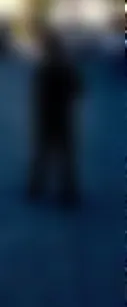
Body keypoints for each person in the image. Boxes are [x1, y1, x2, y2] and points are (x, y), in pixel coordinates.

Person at [27, 27, 81, 208]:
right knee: (64, 153)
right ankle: (67, 189)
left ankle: (36, 186)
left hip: (48, 115)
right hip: (62, 115)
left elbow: (38, 93)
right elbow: (78, 89)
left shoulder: (45, 67)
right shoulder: (65, 67)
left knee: (44, 152)